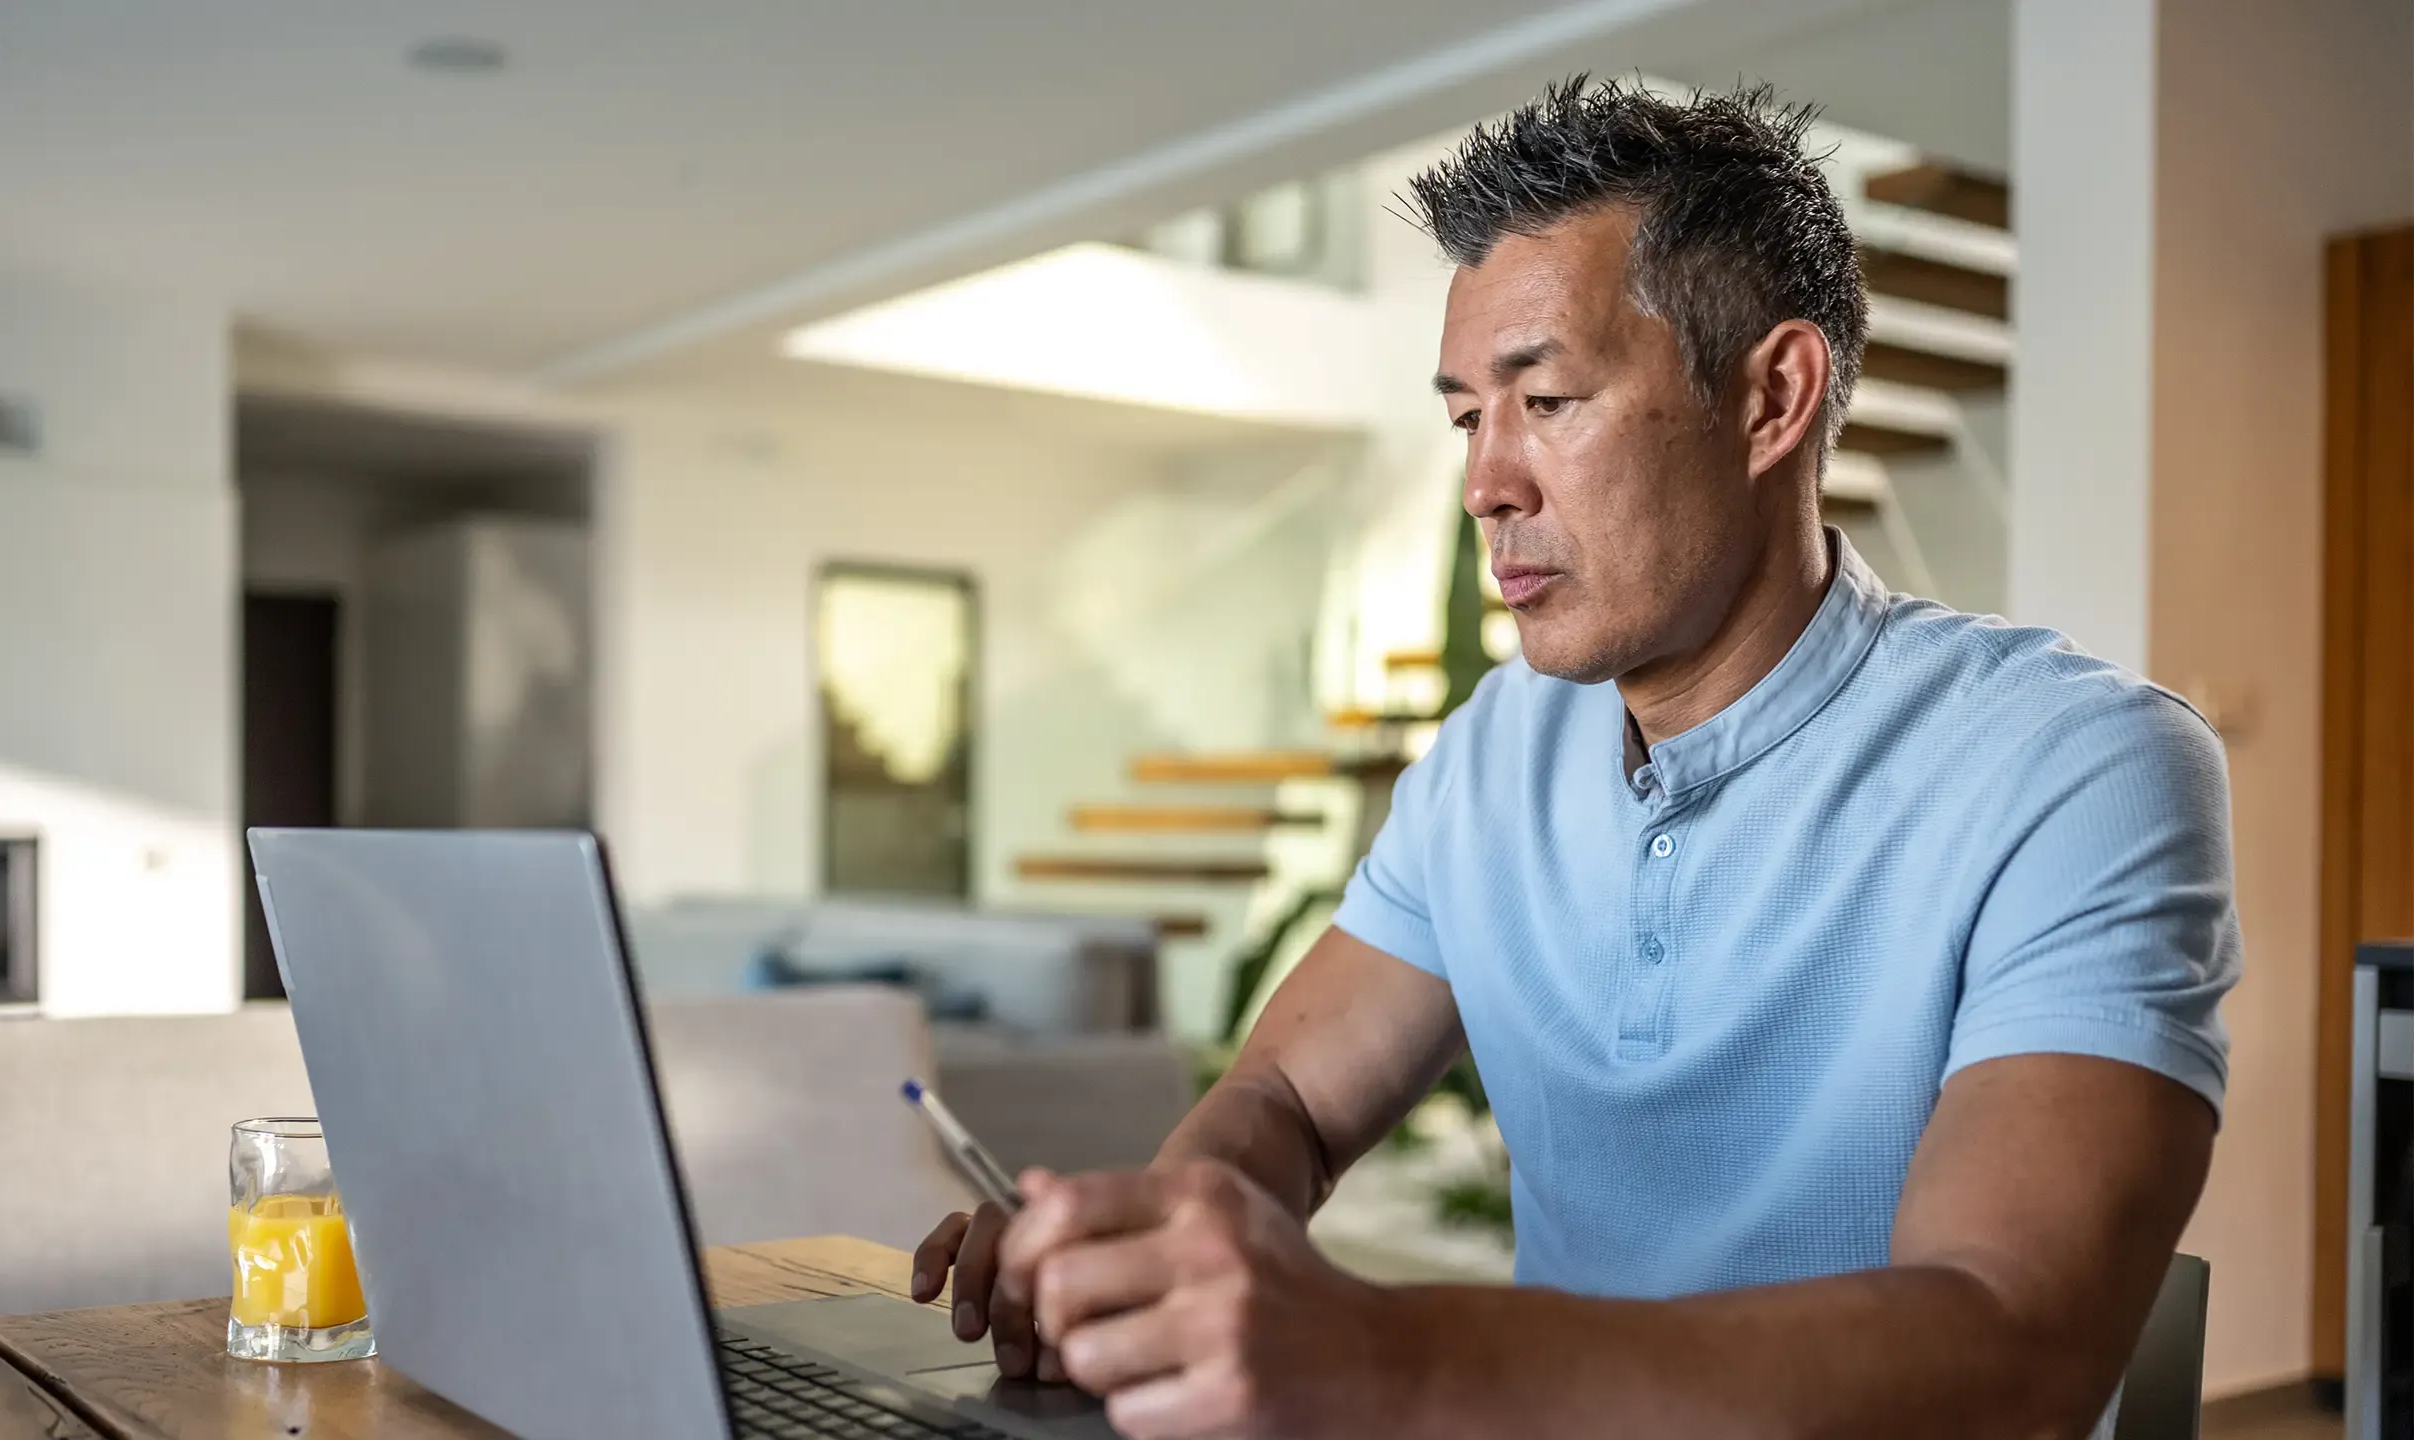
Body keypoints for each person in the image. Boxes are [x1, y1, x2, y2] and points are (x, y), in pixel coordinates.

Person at [913, 77, 2237, 1440]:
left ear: (1774, 395)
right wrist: (1140, 1269)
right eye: (1464, 418)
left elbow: (2009, 1349)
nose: (1486, 483)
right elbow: (1286, 1101)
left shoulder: (2080, 771)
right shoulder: (1497, 750)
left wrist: (1395, 1359)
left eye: (1545, 398)